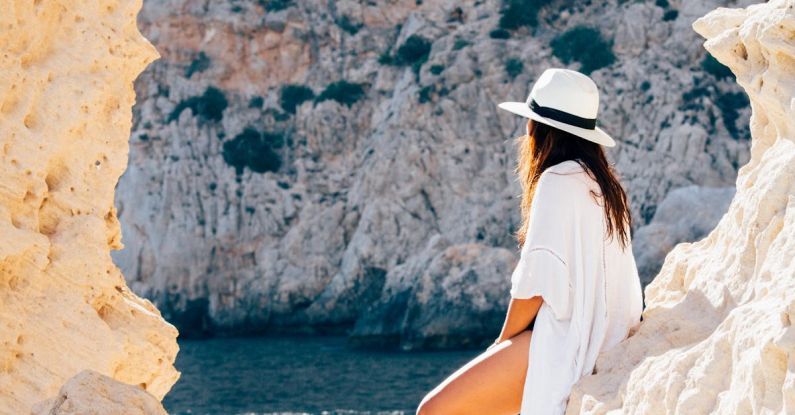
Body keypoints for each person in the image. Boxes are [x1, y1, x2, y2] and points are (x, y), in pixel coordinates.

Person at [415, 68, 644, 415]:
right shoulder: (607, 187)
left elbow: (538, 284)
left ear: (537, 129)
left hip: (568, 341)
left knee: (433, 410)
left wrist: (501, 342)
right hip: (608, 338)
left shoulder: (557, 180)